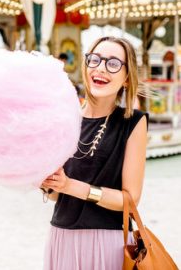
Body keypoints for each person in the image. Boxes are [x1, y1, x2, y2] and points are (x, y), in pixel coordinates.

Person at [41, 36, 148, 270]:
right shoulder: (64, 117)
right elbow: (55, 195)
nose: (100, 68)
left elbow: (130, 199)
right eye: (95, 60)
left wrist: (71, 186)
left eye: (113, 63)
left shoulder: (132, 123)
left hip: (108, 242)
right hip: (62, 236)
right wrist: (47, 182)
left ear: (127, 78)